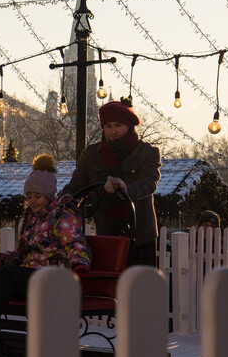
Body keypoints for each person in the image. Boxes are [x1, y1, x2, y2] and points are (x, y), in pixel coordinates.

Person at [60, 97, 161, 267]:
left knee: (141, 280)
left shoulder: (147, 152)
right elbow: (76, 184)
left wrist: (126, 189)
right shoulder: (91, 154)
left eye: (118, 125)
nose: (113, 131)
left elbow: (149, 182)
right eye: (108, 126)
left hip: (141, 233)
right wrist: (67, 197)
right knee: (108, 278)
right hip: (106, 230)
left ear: (129, 125)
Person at [0, 153, 91, 320]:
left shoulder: (62, 218)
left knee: (6, 274)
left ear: (49, 196)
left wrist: (79, 264)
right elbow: (24, 253)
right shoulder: (31, 219)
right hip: (31, 275)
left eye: (37, 196)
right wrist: (1, 258)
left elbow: (76, 244)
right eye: (29, 197)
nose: (32, 201)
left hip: (51, 279)